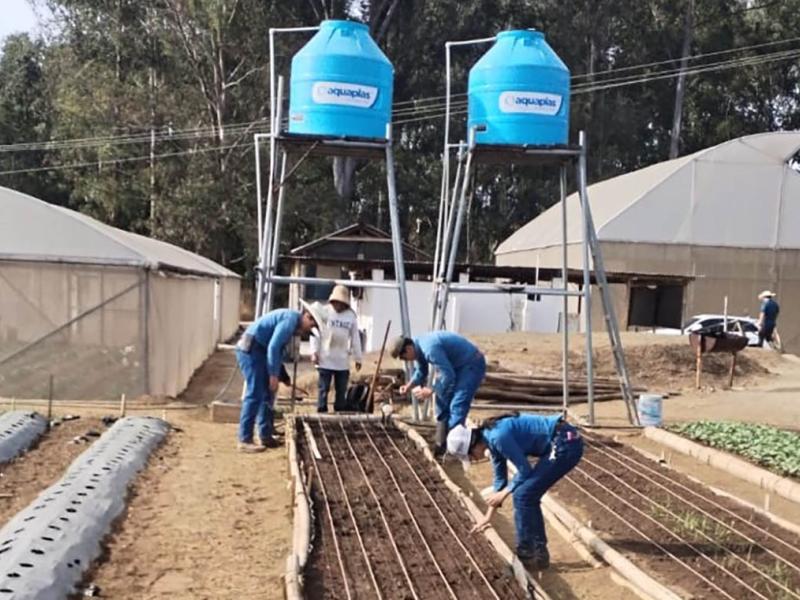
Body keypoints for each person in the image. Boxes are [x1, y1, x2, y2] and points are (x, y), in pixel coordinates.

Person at [447, 412, 583, 569]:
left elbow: (525, 470)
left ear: (473, 445)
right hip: (558, 441)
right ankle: (536, 553)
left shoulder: (498, 437)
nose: (474, 459)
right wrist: (487, 517)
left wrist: (504, 493)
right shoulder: (491, 439)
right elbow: (500, 480)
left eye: (470, 456)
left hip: (565, 441)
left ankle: (529, 554)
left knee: (523, 495)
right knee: (525, 495)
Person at [235, 301, 325, 453]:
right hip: (251, 350)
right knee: (255, 392)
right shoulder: (290, 320)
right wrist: (273, 375)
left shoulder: (291, 322)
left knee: (268, 393)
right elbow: (273, 347)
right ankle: (245, 439)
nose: (309, 329)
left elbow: (277, 352)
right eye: (312, 325)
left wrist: (283, 376)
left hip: (259, 350)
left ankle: (266, 433)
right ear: (307, 316)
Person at [390, 332, 486, 452]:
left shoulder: (429, 349)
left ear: (408, 349)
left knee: (457, 404)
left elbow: (448, 375)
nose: (405, 360)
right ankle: (442, 443)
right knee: (442, 400)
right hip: (455, 366)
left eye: (403, 357)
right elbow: (421, 371)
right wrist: (409, 386)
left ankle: (456, 446)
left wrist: (431, 389)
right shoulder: (418, 347)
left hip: (471, 364)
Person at [310, 285, 363, 413]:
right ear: (333, 301)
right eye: (336, 302)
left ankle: (340, 412)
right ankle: (321, 411)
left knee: (341, 390)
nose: (338, 306)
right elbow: (315, 333)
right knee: (323, 388)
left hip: (342, 360)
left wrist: (358, 358)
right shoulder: (324, 312)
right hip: (325, 358)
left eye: (341, 303)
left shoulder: (351, 316)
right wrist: (314, 352)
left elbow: (355, 338)